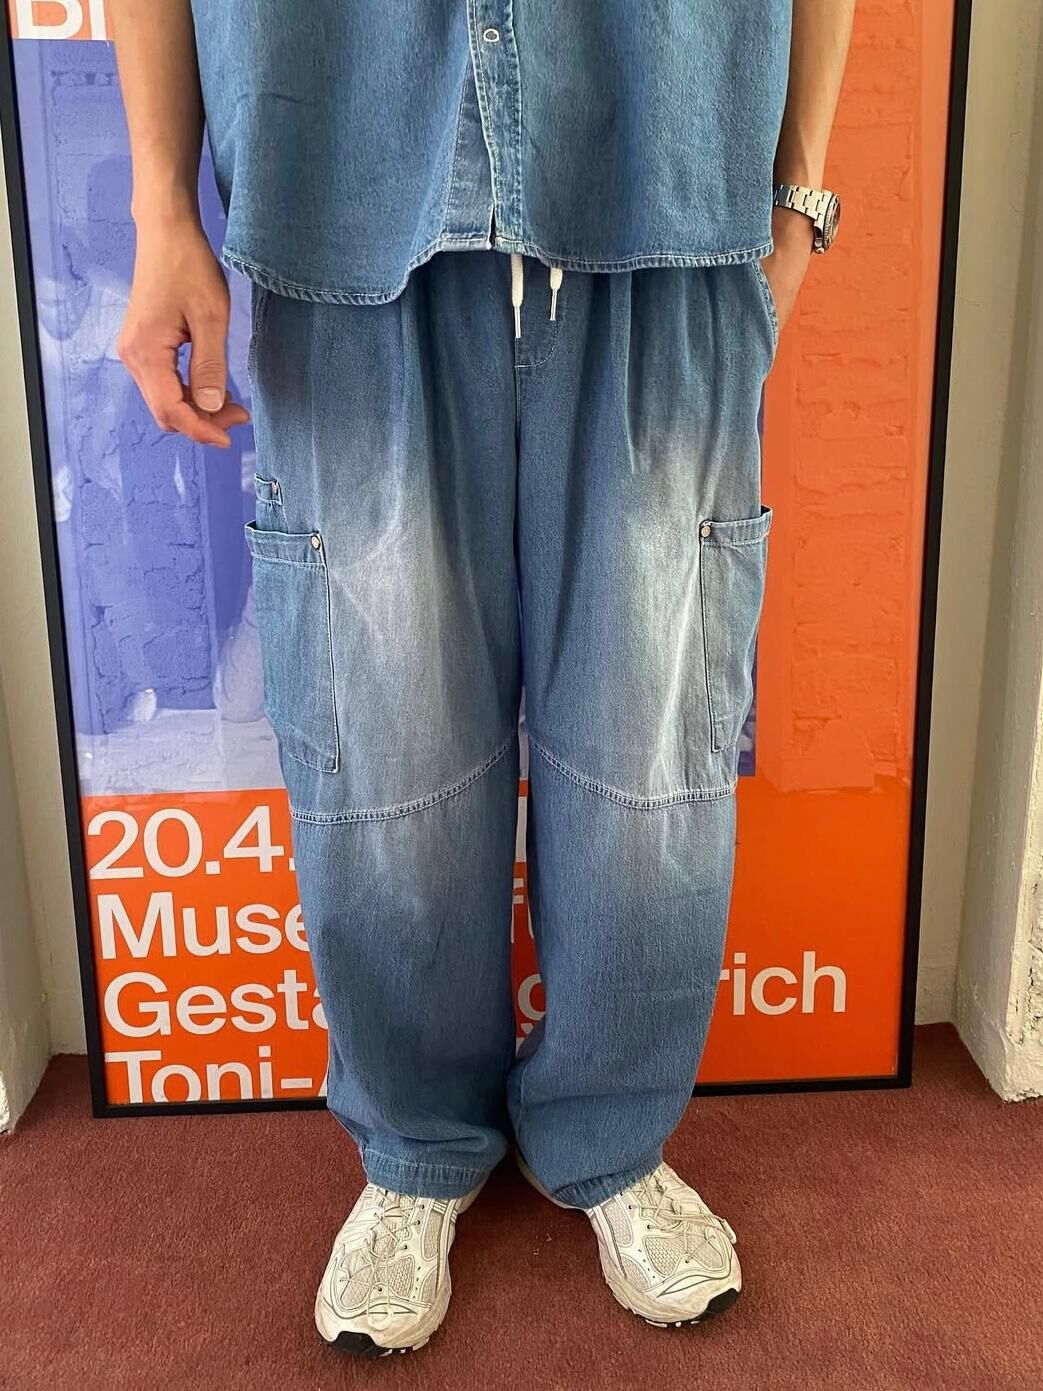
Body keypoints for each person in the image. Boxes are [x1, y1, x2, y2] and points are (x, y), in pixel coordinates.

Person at [112, 0, 853, 1358]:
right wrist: (162, 209)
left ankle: (614, 1134)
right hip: (341, 200)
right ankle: (413, 1146)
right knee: (382, 754)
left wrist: (801, 195)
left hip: (668, 191)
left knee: (648, 758)